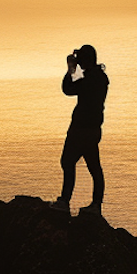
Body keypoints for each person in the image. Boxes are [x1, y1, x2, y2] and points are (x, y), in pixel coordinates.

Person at [52, 45, 109, 214]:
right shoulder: (100, 77)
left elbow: (68, 89)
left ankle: (65, 202)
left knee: (68, 162)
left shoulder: (90, 79)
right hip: (93, 129)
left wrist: (71, 69)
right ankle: (96, 205)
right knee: (94, 168)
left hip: (80, 129)